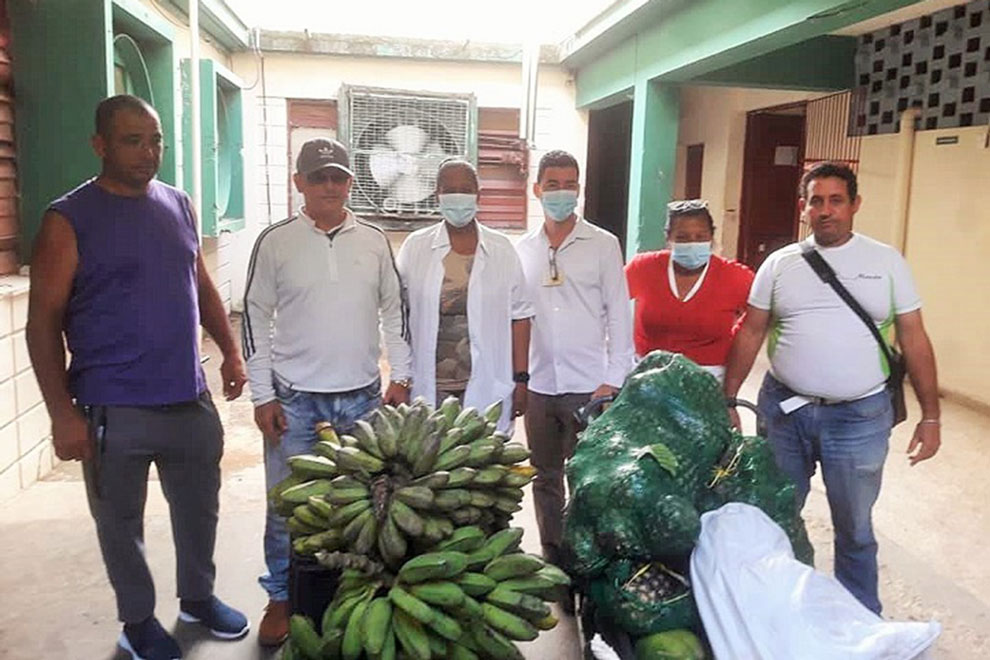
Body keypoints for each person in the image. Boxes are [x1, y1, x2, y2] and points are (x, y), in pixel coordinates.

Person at [26, 94, 249, 660]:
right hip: (112, 408)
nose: (148, 153)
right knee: (121, 524)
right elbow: (42, 324)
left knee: (200, 508)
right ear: (100, 145)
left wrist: (230, 351)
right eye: (132, 141)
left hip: (187, 397)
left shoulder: (179, 204)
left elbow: (200, 283)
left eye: (155, 141)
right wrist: (61, 414)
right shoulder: (68, 219)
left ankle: (197, 598)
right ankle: (138, 619)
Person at [722, 162, 941, 614]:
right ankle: (775, 613)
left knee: (855, 527)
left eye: (836, 200)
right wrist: (729, 397)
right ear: (803, 209)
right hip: (784, 413)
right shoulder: (780, 264)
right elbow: (750, 331)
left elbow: (914, 337)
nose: (826, 211)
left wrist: (931, 414)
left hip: (859, 417)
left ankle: (858, 617)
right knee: (777, 517)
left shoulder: (886, 262)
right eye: (816, 201)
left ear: (855, 205)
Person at [242, 138, 413, 646]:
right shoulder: (275, 242)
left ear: (351, 182)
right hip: (295, 401)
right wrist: (261, 396)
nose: (330, 187)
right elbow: (254, 317)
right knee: (287, 507)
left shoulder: (374, 239)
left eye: (338, 177)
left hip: (362, 400)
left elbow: (394, 311)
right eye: (318, 178)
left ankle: (352, 595)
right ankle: (280, 595)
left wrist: (399, 377)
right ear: (299, 183)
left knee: (363, 504)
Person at [515, 150, 634, 578]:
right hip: (540, 385)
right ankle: (555, 560)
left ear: (578, 189)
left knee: (590, 477)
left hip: (589, 385)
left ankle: (590, 561)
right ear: (537, 190)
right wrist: (518, 379)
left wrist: (613, 378)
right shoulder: (521, 250)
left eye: (569, 184)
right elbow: (515, 316)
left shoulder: (602, 245)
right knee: (545, 478)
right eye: (552, 184)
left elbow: (619, 313)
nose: (561, 192)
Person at [396, 158, 533, 432]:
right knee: (432, 465)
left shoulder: (502, 249)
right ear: (438, 195)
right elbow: (397, 317)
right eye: (450, 189)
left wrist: (521, 380)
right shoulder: (416, 248)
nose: (458, 196)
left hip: (488, 383)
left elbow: (521, 317)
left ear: (478, 194)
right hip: (431, 387)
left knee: (485, 466)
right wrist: (400, 379)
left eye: (466, 189)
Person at [625, 199, 754, 382]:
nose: (692, 244)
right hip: (647, 377)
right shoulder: (643, 268)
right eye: (682, 238)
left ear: (711, 237)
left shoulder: (735, 277)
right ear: (668, 238)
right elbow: (608, 304)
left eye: (700, 237)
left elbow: (757, 324)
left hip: (707, 380)